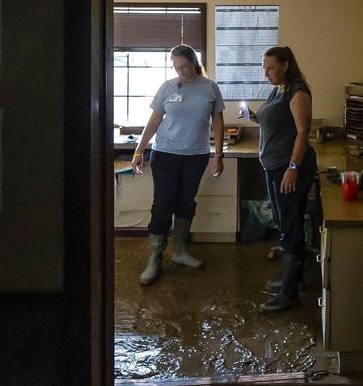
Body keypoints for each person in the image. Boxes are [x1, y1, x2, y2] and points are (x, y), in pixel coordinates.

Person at [132, 44, 225, 286]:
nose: (180, 71)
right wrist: (139, 149)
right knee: (163, 203)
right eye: (176, 67)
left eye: (184, 66)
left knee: (186, 202)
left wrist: (218, 154)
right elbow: (154, 120)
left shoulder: (210, 88)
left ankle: (181, 251)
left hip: (196, 156)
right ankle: (155, 257)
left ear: (194, 62)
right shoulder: (168, 87)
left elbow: (217, 121)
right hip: (166, 153)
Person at [240, 45, 317, 312]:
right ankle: (290, 281)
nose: (267, 74)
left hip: (289, 168)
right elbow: (273, 121)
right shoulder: (279, 90)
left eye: (271, 68)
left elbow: (302, 132)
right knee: (285, 222)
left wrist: (293, 167)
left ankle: (289, 294)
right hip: (274, 167)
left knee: (291, 224)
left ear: (285, 65)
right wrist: (252, 115)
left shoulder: (298, 91)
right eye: (264, 69)